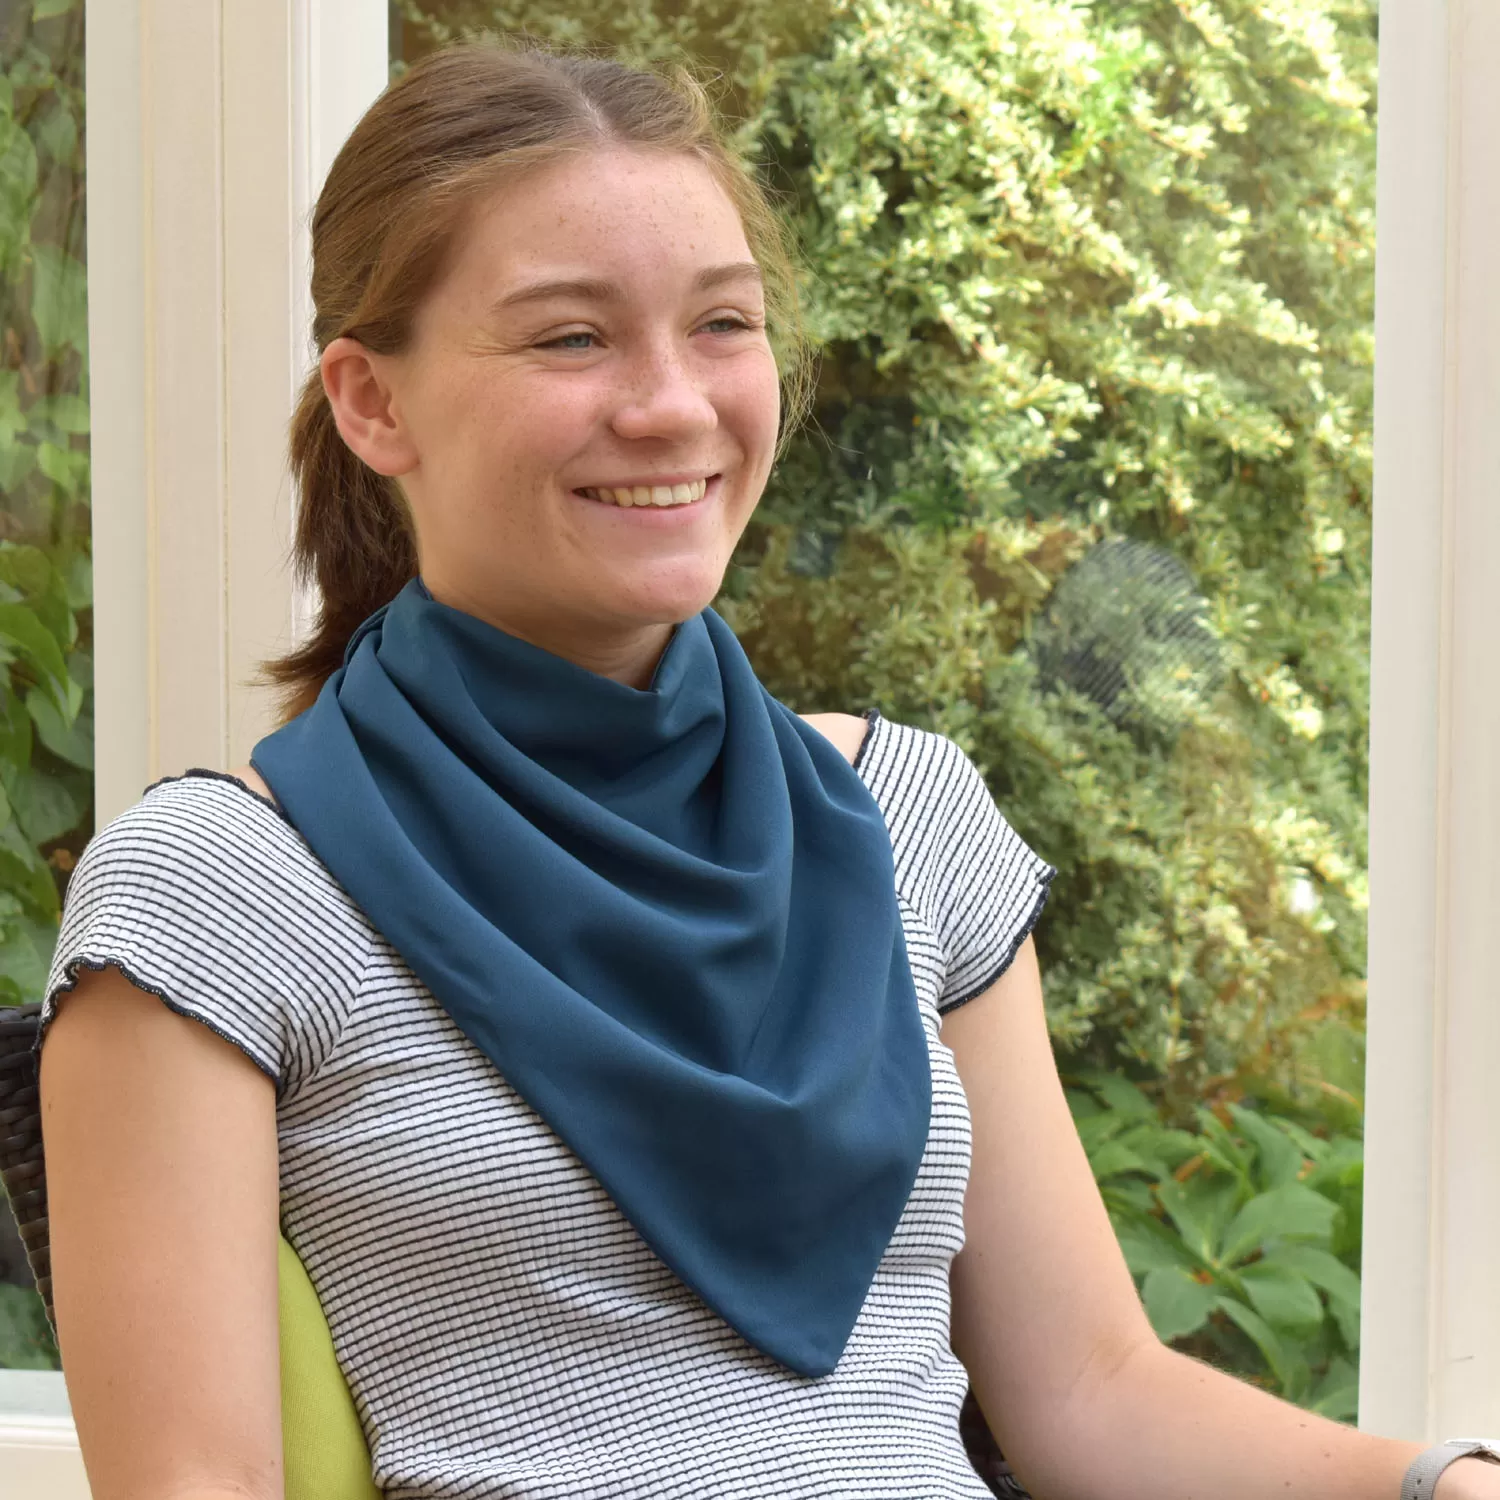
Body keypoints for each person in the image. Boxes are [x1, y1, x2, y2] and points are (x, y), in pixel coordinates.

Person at [34, 39, 1500, 1500]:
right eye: (571, 338)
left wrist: (1442, 1480)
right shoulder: (225, 891)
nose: (673, 403)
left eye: (723, 324)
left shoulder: (913, 816)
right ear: (373, 402)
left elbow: (1093, 1397)